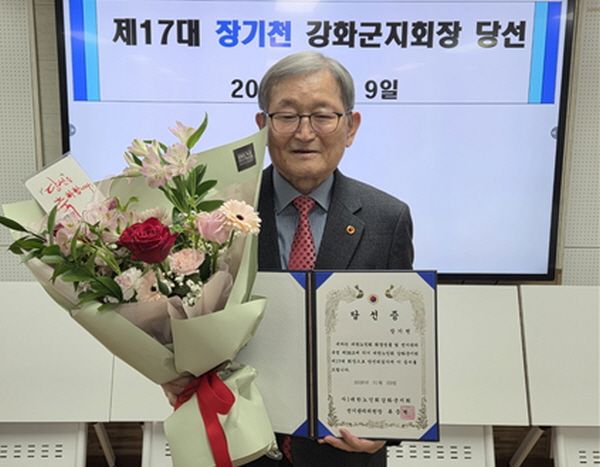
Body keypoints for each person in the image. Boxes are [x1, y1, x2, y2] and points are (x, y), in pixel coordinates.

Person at [163, 51, 414, 466]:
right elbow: (186, 326)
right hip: (237, 447)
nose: (304, 132)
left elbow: (400, 340)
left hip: (344, 455)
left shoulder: (388, 218)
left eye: (322, 115)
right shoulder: (216, 215)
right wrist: (175, 369)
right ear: (262, 126)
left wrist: (384, 430)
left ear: (351, 127)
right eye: (287, 116)